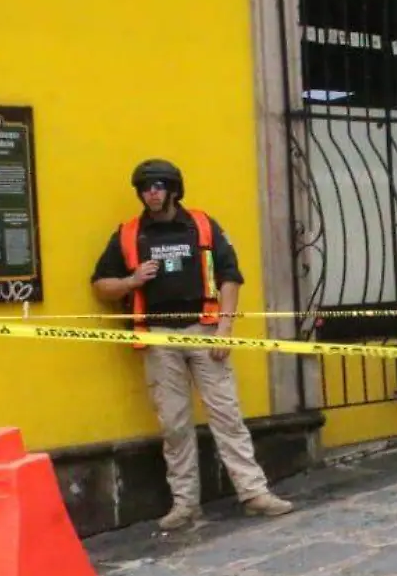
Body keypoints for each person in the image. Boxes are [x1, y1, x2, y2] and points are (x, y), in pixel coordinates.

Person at [90, 159, 294, 531]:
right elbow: (101, 285)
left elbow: (230, 275)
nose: (151, 193)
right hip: (157, 336)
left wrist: (225, 327)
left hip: (204, 330)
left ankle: (254, 493)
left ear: (173, 189)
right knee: (174, 424)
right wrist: (132, 281)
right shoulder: (129, 234)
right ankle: (185, 505)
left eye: (157, 186)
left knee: (227, 415)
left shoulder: (201, 224)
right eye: (145, 187)